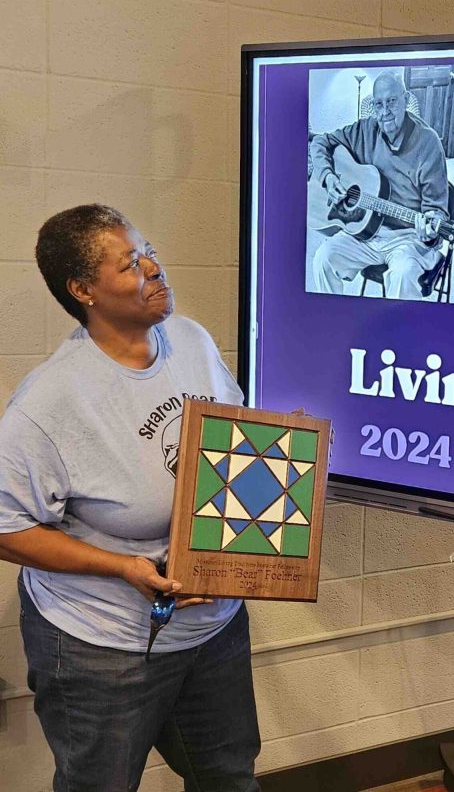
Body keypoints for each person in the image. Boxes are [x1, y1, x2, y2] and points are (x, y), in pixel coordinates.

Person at [0, 205, 260, 791]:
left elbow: (233, 446)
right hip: (102, 645)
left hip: (211, 629)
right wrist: (123, 568)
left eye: (150, 251)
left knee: (229, 778)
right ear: (83, 289)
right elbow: (7, 528)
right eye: (131, 264)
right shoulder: (50, 403)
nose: (155, 268)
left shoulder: (190, 341)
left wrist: (282, 449)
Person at [310, 71, 448, 300]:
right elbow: (320, 142)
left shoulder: (428, 142)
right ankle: (332, 323)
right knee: (323, 257)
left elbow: (437, 209)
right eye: (378, 104)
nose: (385, 112)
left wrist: (430, 232)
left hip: (408, 237)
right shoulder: (364, 129)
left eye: (392, 102)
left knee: (402, 275)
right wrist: (328, 177)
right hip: (366, 233)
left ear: (405, 99)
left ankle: (398, 335)